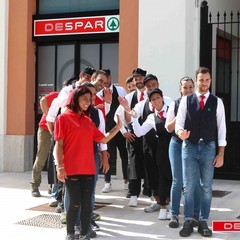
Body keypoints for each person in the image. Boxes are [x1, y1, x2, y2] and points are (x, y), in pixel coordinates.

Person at [54, 86, 122, 240]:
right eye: (85, 99)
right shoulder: (63, 118)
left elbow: (103, 139)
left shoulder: (88, 121)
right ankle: (70, 233)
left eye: (90, 100)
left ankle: (85, 233)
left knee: (87, 205)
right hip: (71, 168)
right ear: (75, 99)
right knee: (75, 202)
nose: (88, 102)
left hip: (89, 168)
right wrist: (60, 167)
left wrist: (117, 127)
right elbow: (59, 145)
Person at [175, 67, 227, 237]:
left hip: (209, 148)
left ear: (210, 81)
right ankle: (189, 219)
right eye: (201, 80)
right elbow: (179, 123)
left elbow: (222, 129)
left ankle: (203, 220)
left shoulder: (217, 101)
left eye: (207, 80)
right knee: (188, 186)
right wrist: (180, 132)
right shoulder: (186, 100)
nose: (204, 83)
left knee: (206, 187)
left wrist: (221, 153)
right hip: (189, 147)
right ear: (196, 81)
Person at [119, 74, 172, 211]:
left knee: (167, 173)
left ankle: (169, 201)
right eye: (148, 86)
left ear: (158, 85)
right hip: (149, 145)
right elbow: (133, 116)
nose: (151, 88)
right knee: (151, 173)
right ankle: (156, 201)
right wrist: (127, 110)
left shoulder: (169, 102)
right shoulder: (141, 105)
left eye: (153, 85)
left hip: (166, 146)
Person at [165, 77, 201, 228]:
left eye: (190, 87)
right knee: (177, 181)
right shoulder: (175, 103)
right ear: (180, 89)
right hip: (177, 144)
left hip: (193, 145)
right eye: (185, 87)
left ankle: (194, 215)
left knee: (194, 181)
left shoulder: (199, 103)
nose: (188, 90)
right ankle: (174, 215)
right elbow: (168, 128)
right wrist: (180, 113)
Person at [97, 69, 128, 193]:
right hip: (107, 128)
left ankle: (126, 181)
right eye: (102, 80)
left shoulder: (120, 90)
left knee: (124, 155)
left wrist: (125, 128)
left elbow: (125, 109)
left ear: (110, 78)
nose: (104, 82)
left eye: (106, 79)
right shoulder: (99, 94)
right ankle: (107, 182)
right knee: (108, 155)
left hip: (120, 128)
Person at [30, 91, 59, 197]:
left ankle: (52, 185)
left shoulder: (73, 99)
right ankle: (35, 185)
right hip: (45, 129)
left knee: (55, 159)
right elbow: (42, 100)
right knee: (41, 157)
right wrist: (50, 117)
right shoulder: (58, 95)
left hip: (59, 130)